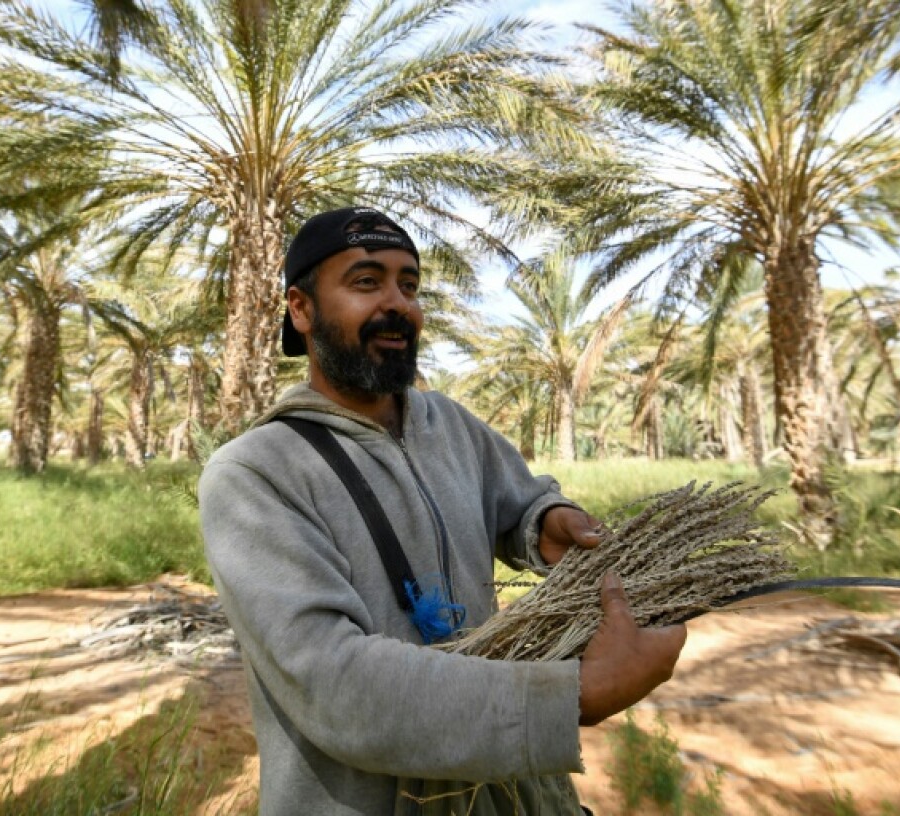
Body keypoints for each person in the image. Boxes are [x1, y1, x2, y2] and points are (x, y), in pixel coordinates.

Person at [198, 207, 687, 815]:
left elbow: (520, 500)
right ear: (301, 309)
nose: (398, 304)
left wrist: (546, 522)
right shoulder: (256, 473)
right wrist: (573, 698)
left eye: (409, 285)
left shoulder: (449, 424)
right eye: (366, 282)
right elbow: (335, 685)